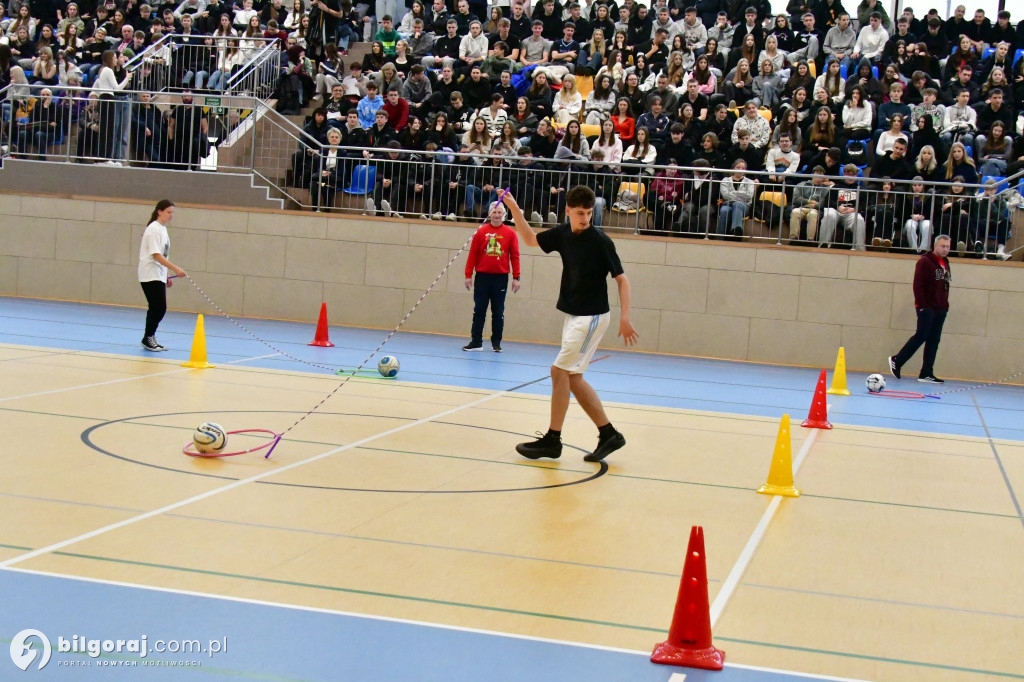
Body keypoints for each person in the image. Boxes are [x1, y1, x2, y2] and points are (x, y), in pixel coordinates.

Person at [502, 186, 638, 462]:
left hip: (592, 316)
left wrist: (625, 317)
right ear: (568, 211)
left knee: (558, 371)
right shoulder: (563, 234)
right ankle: (609, 433)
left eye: (589, 213)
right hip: (574, 315)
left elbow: (622, 280)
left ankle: (553, 440)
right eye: (580, 213)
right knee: (573, 377)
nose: (585, 218)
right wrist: (514, 208)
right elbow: (529, 239)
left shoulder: (600, 241)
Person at [888, 234, 952, 384]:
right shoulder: (925, 261)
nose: (945, 249)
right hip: (927, 307)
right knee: (921, 335)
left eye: (948, 247)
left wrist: (945, 305)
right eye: (942, 246)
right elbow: (918, 285)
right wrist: (922, 305)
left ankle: (926, 372)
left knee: (934, 340)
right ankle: (897, 360)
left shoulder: (945, 263)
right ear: (935, 246)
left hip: (940, 308)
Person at [462, 201, 521, 352]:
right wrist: (468, 275)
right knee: (479, 310)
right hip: (482, 277)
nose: (496, 215)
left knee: (498, 312)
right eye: (494, 212)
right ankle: (476, 342)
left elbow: (515, 256)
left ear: (504, 215)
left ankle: (496, 343)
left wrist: (516, 277)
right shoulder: (481, 232)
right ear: (489, 214)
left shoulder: (510, 234)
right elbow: (472, 255)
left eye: (499, 212)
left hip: (500, 278)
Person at [138, 200, 186, 351]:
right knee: (158, 307)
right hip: (150, 272)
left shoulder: (163, 229)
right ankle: (148, 338)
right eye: (168, 212)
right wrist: (175, 268)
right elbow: (156, 255)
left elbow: (163, 254)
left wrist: (166, 274)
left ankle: (150, 337)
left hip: (158, 273)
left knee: (158, 307)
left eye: (172, 212)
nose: (171, 215)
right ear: (159, 211)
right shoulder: (154, 229)